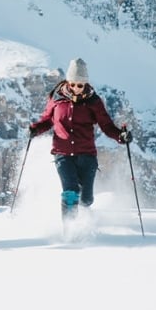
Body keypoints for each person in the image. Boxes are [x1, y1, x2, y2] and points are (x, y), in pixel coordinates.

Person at [27, 58, 129, 219]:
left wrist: (121, 136)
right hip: (63, 154)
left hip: (86, 155)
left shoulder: (94, 102)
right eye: (72, 84)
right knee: (70, 192)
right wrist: (36, 129)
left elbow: (106, 125)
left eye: (80, 85)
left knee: (86, 199)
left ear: (85, 84)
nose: (75, 88)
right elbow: (47, 120)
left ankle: (85, 222)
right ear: (68, 82)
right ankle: (70, 231)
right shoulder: (57, 99)